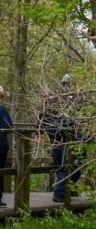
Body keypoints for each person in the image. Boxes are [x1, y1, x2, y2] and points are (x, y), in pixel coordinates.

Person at [39, 75, 77, 203]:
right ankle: (59, 194)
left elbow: (39, 123)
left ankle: (69, 189)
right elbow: (68, 123)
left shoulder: (52, 108)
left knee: (72, 164)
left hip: (61, 140)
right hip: (62, 140)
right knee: (62, 166)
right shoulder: (56, 108)